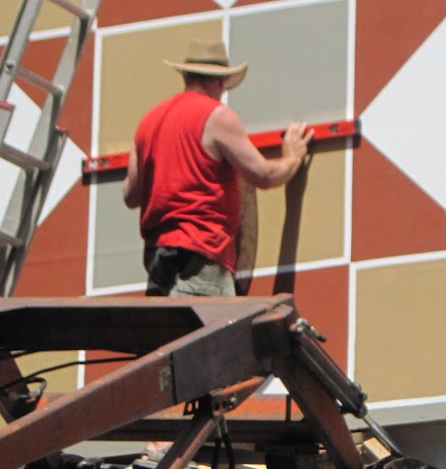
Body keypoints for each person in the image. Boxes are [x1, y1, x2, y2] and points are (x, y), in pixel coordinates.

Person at [122, 38, 312, 296]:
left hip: (158, 258)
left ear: (186, 75)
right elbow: (264, 176)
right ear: (219, 80)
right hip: (201, 255)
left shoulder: (148, 122)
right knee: (211, 333)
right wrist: (293, 157)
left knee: (173, 333)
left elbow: (131, 196)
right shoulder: (216, 116)